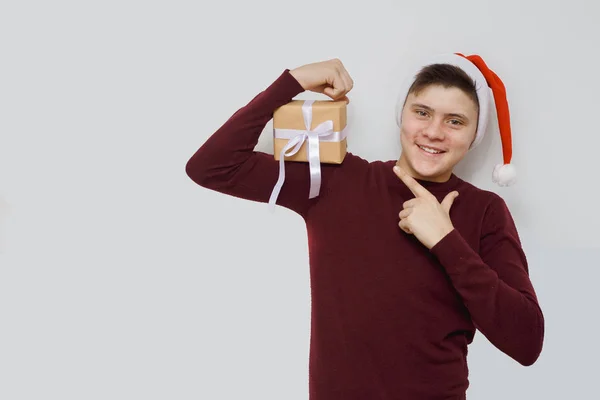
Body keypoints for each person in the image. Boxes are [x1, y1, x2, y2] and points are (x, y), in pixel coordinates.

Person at [185, 54, 545, 400]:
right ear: (401, 116)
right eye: (422, 113)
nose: (434, 132)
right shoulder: (334, 181)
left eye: (455, 121)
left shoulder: (485, 211)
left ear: (474, 135)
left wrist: (445, 240)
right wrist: (291, 83)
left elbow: (526, 341)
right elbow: (212, 167)